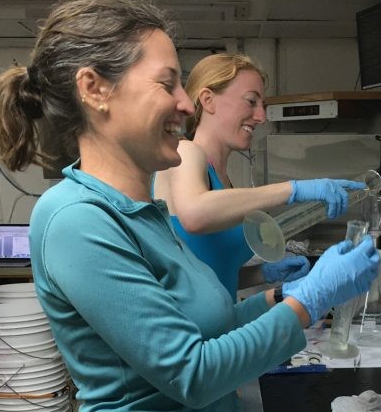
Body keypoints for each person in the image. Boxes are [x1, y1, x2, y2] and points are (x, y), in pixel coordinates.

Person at [0, 0, 380, 412]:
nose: (185, 102)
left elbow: (213, 328)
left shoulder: (144, 213)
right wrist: (311, 300)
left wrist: (283, 294)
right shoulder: (76, 218)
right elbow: (191, 373)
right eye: (167, 82)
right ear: (95, 88)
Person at [153, 52, 366, 300]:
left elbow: (211, 273)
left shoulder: (225, 181)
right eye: (251, 102)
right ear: (208, 100)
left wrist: (263, 274)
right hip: (188, 333)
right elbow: (194, 215)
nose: (262, 116)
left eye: (261, 105)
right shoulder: (185, 153)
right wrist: (293, 189)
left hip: (220, 327)